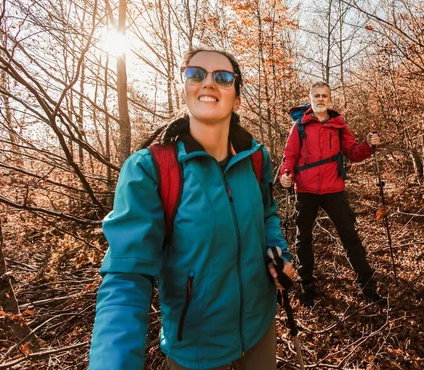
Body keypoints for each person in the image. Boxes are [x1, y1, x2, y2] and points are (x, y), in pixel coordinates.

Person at [89, 48, 295, 370]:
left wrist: (277, 252)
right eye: (196, 74)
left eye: (223, 78)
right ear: (184, 89)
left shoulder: (256, 158)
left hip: (259, 326)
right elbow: (127, 276)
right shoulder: (151, 169)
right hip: (195, 349)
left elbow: (268, 214)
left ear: (237, 99)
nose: (209, 83)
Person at [280, 81, 382, 307]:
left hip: (334, 190)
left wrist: (367, 144)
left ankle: (368, 286)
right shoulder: (299, 126)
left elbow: (353, 153)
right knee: (303, 238)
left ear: (329, 99)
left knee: (350, 236)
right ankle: (307, 285)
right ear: (310, 98)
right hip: (305, 191)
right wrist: (286, 174)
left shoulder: (338, 125)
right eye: (316, 95)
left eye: (324, 95)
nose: (320, 99)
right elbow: (289, 157)